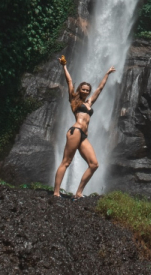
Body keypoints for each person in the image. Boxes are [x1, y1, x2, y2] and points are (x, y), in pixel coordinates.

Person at [53, 56, 116, 199]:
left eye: (88, 90)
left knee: (94, 164)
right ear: (79, 89)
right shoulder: (74, 100)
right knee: (66, 162)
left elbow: (99, 89)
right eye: (84, 89)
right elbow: (69, 81)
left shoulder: (89, 103)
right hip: (75, 131)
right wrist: (64, 66)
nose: (86, 91)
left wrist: (107, 74)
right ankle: (56, 192)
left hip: (84, 136)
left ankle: (79, 192)